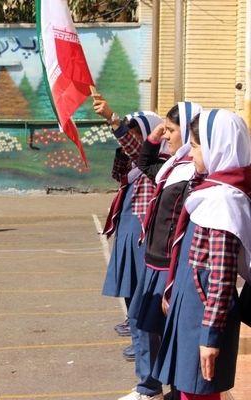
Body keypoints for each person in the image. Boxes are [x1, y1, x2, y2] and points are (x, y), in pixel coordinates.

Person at [154, 109, 251, 399]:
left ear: (216, 147)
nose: (191, 152)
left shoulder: (224, 201)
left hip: (204, 319)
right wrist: (173, 294)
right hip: (192, 312)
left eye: (196, 146)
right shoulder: (211, 191)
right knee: (189, 391)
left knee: (198, 393)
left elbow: (220, 279)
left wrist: (210, 337)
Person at [126, 102, 202, 400]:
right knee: (143, 322)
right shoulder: (174, 167)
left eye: (172, 130)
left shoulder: (192, 174)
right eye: (166, 130)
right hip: (154, 259)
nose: (167, 136)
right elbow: (146, 164)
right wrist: (154, 135)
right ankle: (150, 386)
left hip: (168, 263)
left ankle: (165, 389)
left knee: (165, 329)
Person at [93, 95, 164, 400]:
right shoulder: (133, 171)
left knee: (144, 311)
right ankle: (145, 376)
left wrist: (113, 119)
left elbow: (137, 151)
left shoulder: (156, 166)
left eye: (138, 131)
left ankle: (149, 386)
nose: (131, 138)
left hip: (143, 244)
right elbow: (125, 163)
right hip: (127, 241)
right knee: (134, 311)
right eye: (130, 130)